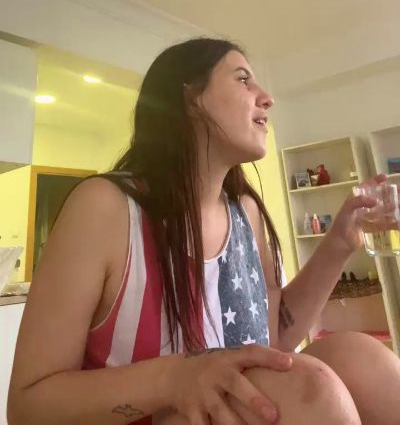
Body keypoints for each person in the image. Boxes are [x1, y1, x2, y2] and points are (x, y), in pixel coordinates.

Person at [8, 38, 400, 425]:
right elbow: (27, 407)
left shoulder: (247, 213)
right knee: (311, 390)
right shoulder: (105, 207)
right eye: (243, 79)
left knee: (360, 359)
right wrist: (173, 378)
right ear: (191, 98)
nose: (267, 98)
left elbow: (271, 342)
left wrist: (340, 242)